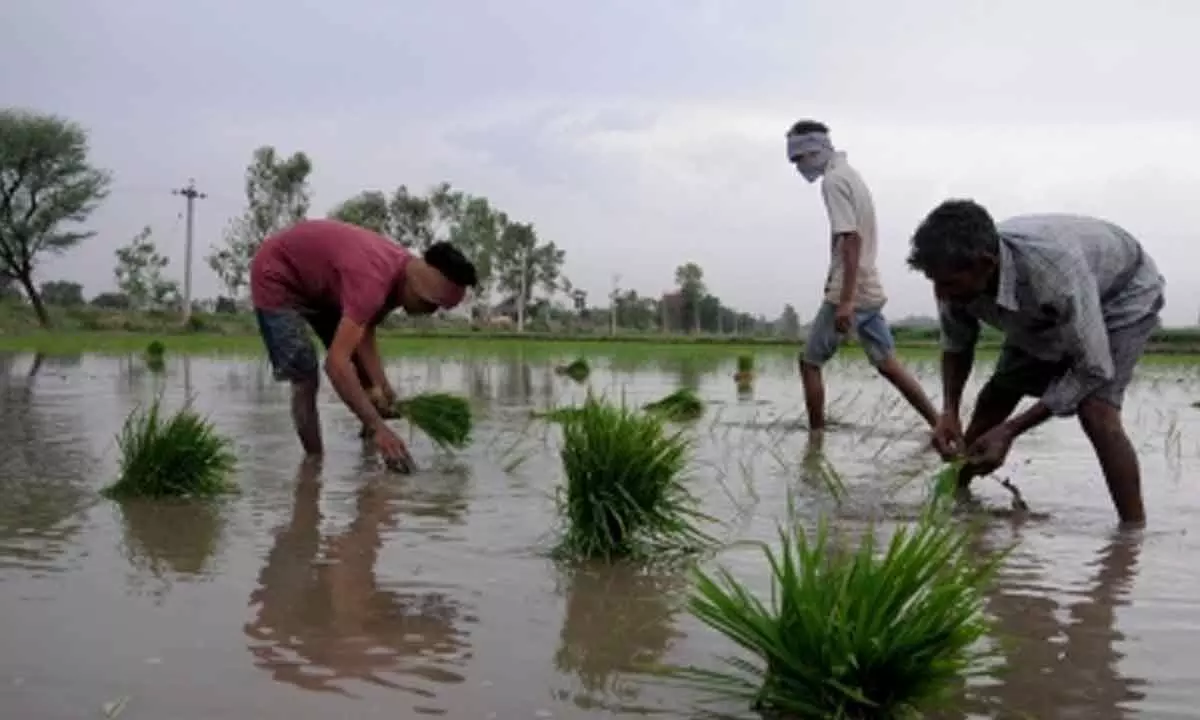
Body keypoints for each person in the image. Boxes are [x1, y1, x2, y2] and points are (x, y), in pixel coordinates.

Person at [907, 199, 1166, 526]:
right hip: (1038, 308)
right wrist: (949, 412)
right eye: (934, 282)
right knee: (996, 396)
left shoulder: (1054, 273)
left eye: (948, 284)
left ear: (986, 264)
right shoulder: (954, 276)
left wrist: (1012, 430)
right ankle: (953, 501)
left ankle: (1132, 536)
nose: (941, 294)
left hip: (1122, 293)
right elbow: (957, 344)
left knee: (1097, 412)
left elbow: (1093, 368)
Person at [249, 218, 478, 469]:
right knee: (305, 376)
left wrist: (382, 385)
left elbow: (365, 329)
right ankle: (314, 465)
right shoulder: (373, 281)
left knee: (369, 383)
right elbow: (336, 364)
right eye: (429, 304)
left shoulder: (399, 274)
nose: (430, 312)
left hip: (321, 286)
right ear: (416, 286)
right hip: (278, 274)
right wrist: (379, 427)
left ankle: (370, 458)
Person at [785, 119, 940, 432]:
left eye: (797, 158)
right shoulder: (851, 176)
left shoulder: (833, 182)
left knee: (809, 362)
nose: (798, 166)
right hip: (867, 284)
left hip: (852, 288)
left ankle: (815, 438)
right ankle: (941, 426)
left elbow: (851, 239)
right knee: (888, 364)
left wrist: (844, 301)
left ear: (813, 151)